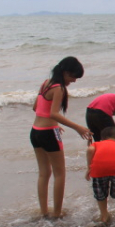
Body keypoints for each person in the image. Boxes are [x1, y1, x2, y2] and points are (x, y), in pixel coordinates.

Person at [31, 56, 93, 218]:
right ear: (65, 72)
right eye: (73, 77)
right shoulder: (59, 88)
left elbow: (36, 108)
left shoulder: (46, 83)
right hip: (48, 134)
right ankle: (57, 213)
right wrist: (78, 127)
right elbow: (53, 113)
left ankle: (44, 211)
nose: (74, 80)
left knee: (44, 173)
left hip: (35, 132)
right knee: (60, 174)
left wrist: (53, 122)